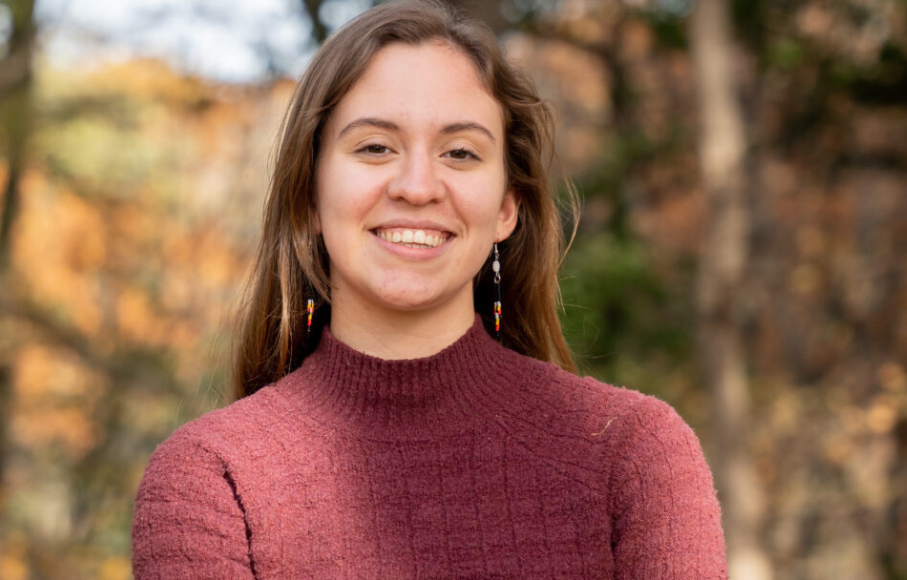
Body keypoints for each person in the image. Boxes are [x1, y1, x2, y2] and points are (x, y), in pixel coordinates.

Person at [131, 1, 728, 578]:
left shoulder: (634, 456)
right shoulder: (212, 480)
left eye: (461, 152)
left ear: (505, 208)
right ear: (309, 196)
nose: (417, 186)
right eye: (375, 147)